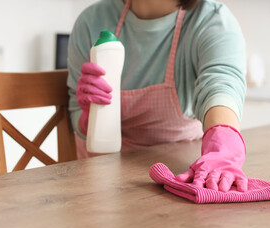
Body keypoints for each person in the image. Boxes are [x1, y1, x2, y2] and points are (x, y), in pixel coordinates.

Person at [67, 0, 248, 192]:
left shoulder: (211, 19)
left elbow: (221, 85)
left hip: (178, 179)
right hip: (101, 184)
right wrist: (89, 119)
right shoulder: (91, 22)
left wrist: (223, 144)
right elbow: (75, 110)